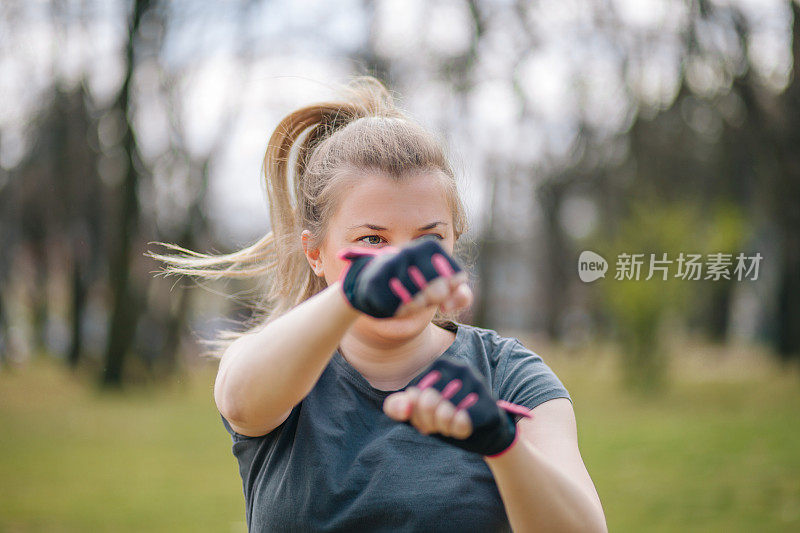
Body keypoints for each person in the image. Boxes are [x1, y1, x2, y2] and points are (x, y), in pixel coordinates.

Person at [147, 76, 607, 532]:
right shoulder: (279, 364)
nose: (401, 265)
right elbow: (241, 401)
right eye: (373, 240)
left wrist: (504, 446)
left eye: (428, 239)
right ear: (315, 253)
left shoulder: (508, 375)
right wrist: (352, 296)